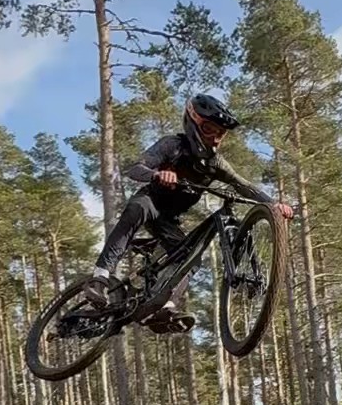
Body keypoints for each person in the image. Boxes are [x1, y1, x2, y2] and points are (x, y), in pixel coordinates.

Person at [83, 93, 294, 333]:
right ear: (193, 123)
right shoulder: (172, 145)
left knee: (191, 258)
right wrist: (157, 174)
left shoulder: (216, 164)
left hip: (168, 220)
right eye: (209, 129)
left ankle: (163, 306)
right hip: (151, 201)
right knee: (136, 209)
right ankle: (99, 278)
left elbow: (243, 185)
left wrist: (273, 204)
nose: (215, 138)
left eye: (220, 133)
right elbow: (135, 168)